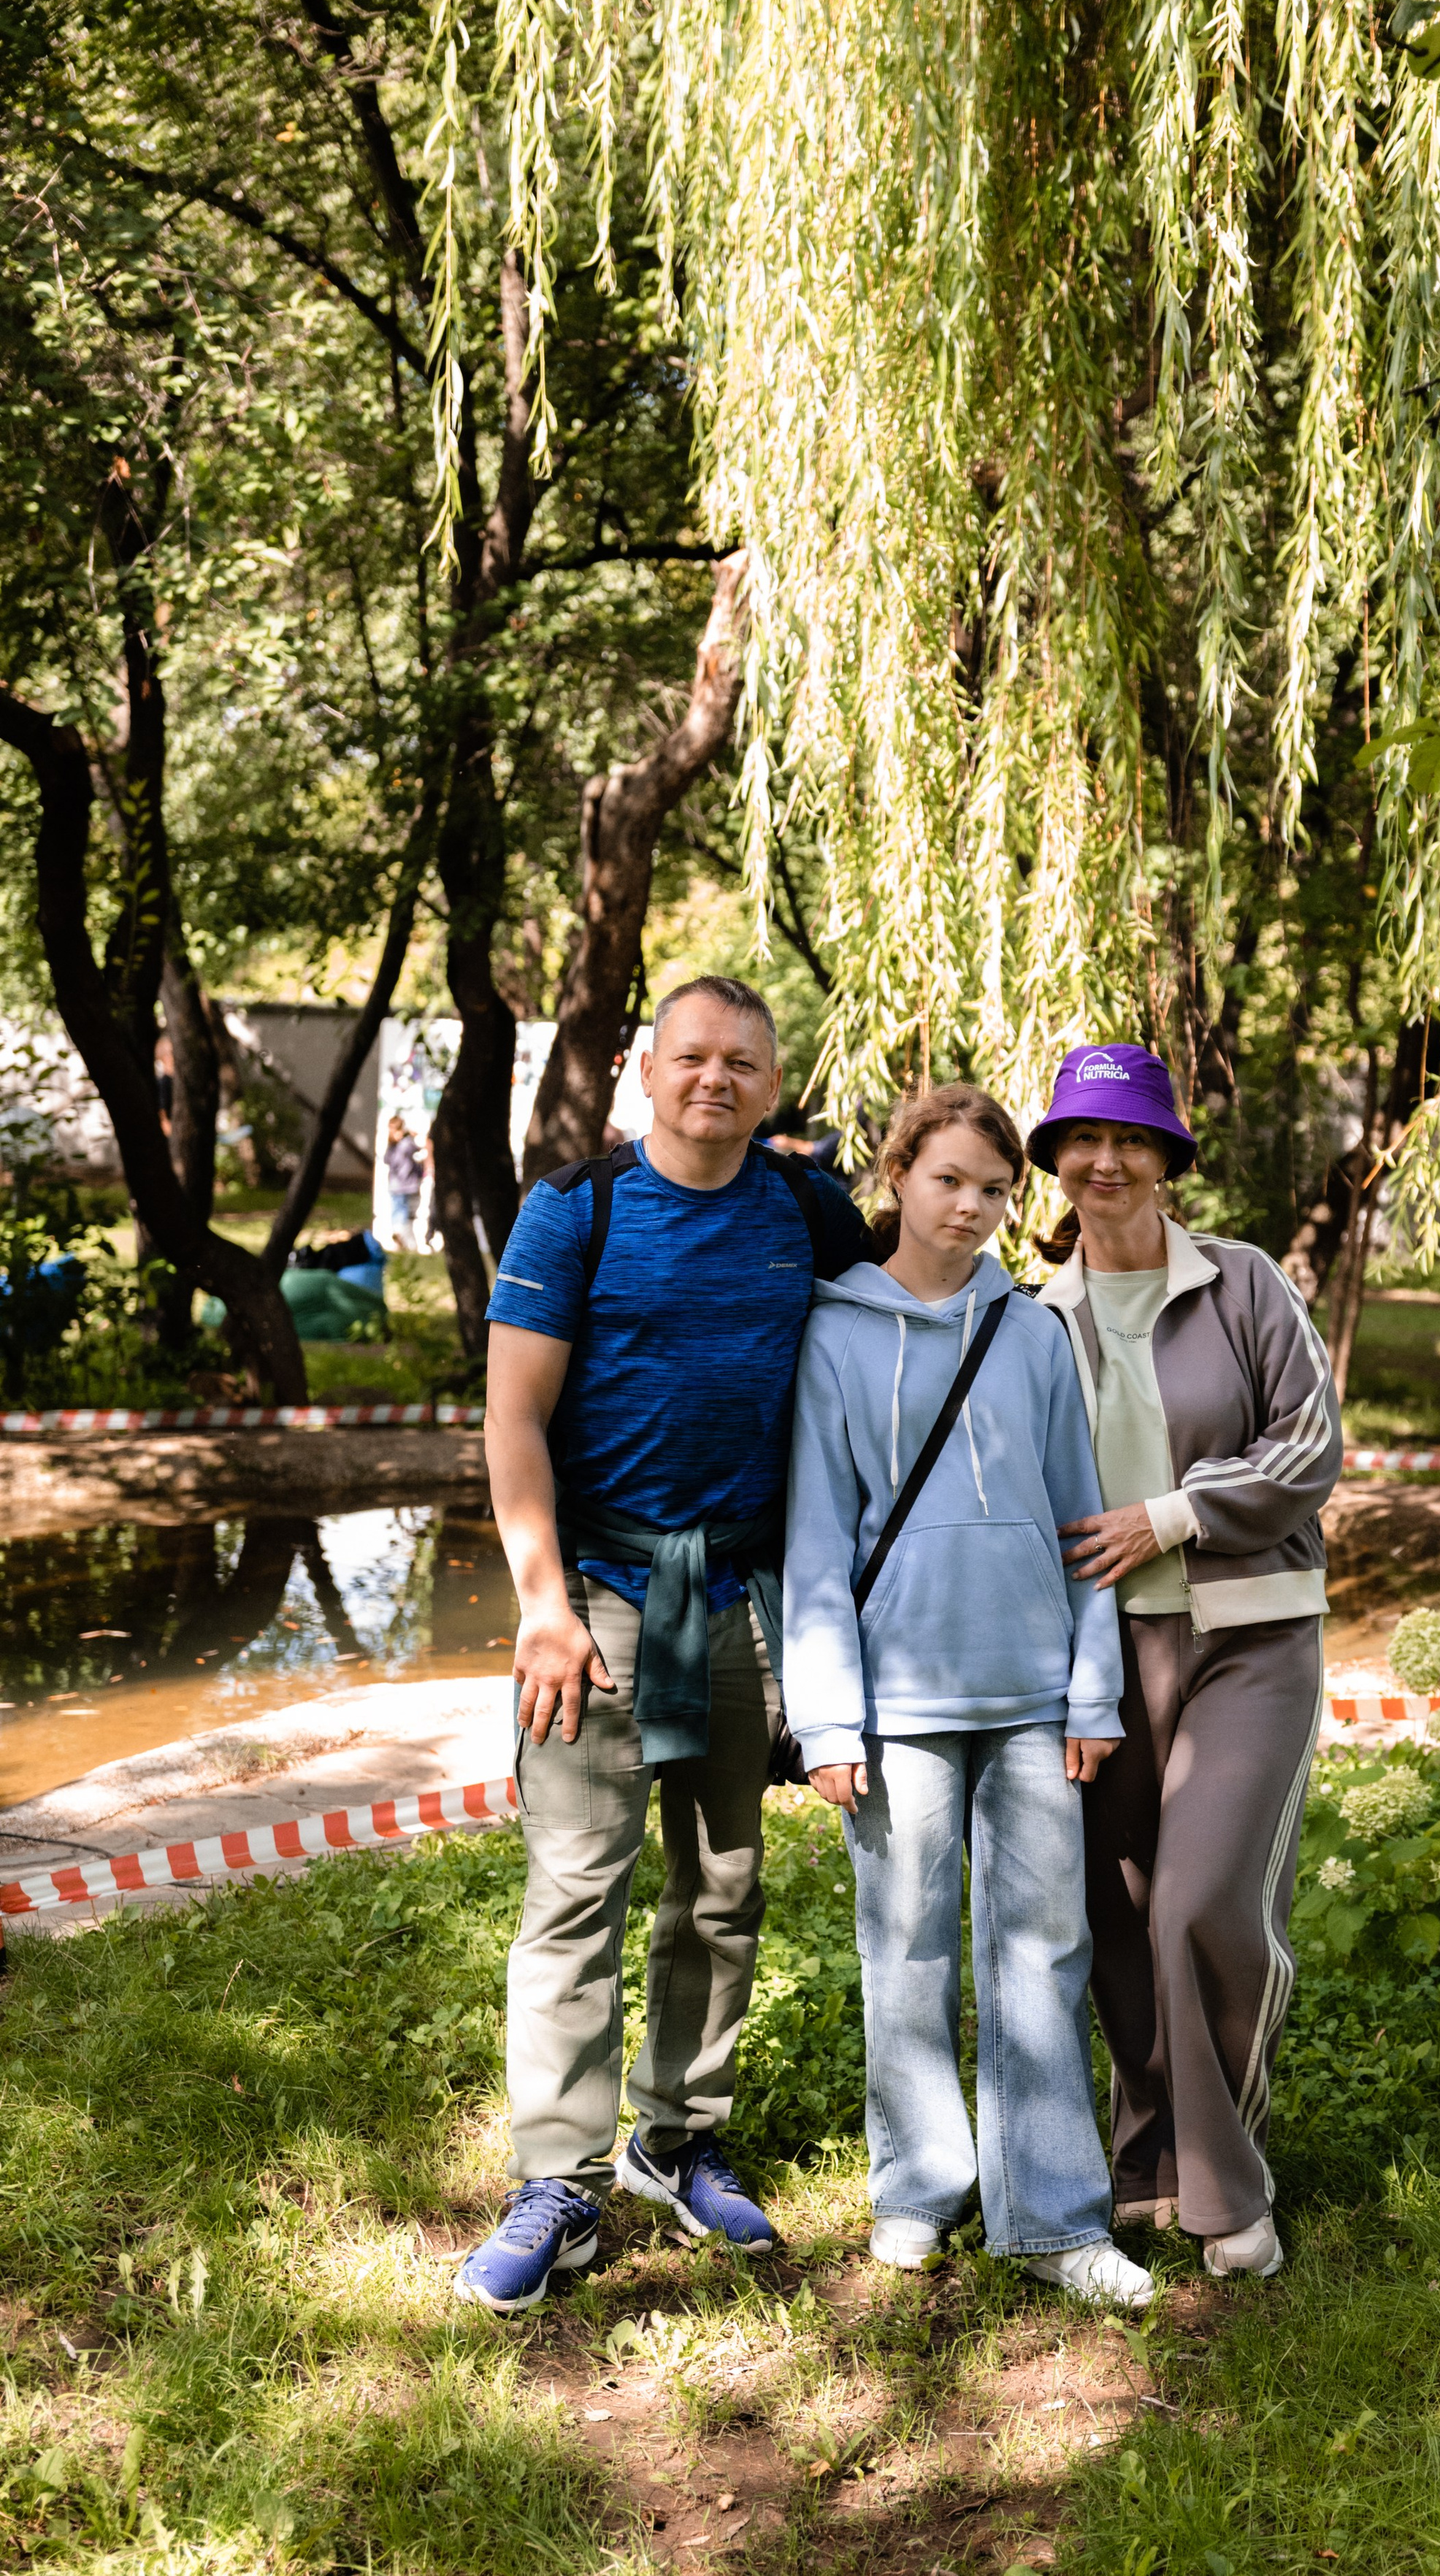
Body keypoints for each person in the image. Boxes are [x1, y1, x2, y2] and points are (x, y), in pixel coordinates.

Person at [453, 975, 872, 2313]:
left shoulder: (809, 1211)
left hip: (743, 1595)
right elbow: (514, 1419)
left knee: (722, 1883)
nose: (714, 1079)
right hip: (598, 1599)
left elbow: (902, 1325)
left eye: (741, 1061)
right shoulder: (576, 1210)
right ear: (647, 1069)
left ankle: (678, 2137)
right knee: (576, 1889)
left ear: (773, 1082)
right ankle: (558, 2179)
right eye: (692, 1056)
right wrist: (542, 1606)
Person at [783, 1083, 1154, 2309]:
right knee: (903, 1947)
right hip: (896, 1702)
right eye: (948, 1180)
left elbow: (1084, 1525)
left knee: (1044, 1949)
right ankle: (920, 2191)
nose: (971, 1207)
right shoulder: (835, 1334)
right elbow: (816, 1541)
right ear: (897, 1174)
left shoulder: (1032, 1335)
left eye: (994, 1190)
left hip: (1035, 1696)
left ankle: (1054, 2217)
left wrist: (1093, 1693)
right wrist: (827, 1719)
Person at [1027, 1044, 1341, 2281]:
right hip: (1098, 1656)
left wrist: (1172, 1515)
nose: (1106, 1162)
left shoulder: (1245, 1282)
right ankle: (1148, 2160)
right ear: (1054, 1160)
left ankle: (1226, 2185)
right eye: (1083, 1140)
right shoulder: (1030, 1318)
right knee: (1115, 1912)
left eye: (1131, 1140)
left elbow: (1309, 1445)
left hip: (1248, 1637)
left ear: (1166, 1158)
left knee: (1201, 1903)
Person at [383, 1113, 423, 1248]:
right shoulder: (397, 1145)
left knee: (404, 1212)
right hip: (399, 1185)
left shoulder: (404, 1144)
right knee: (400, 1211)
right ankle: (400, 1236)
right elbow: (388, 1160)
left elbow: (416, 1149)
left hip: (406, 1185)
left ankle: (403, 1237)